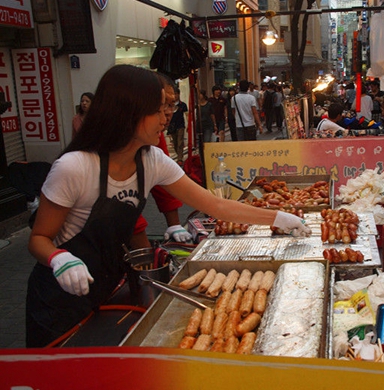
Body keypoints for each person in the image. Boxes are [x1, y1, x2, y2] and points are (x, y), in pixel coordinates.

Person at [25, 64, 310, 347]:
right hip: (58, 300)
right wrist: (58, 259)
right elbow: (39, 239)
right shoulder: (74, 167)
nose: (166, 118)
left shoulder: (151, 160)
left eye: (168, 109)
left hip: (106, 288)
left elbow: (215, 205)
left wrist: (278, 218)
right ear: (128, 111)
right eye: (158, 109)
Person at [130, 73, 191, 248]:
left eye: (172, 105)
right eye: (161, 107)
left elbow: (170, 183)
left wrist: (174, 224)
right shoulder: (78, 163)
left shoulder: (153, 146)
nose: (167, 115)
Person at [167, 87, 188, 165]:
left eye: (176, 94)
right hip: (172, 126)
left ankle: (180, 158)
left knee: (180, 142)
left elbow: (187, 115)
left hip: (180, 125)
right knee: (175, 142)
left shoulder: (183, 105)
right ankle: (178, 155)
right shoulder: (169, 105)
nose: (175, 96)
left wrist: (189, 124)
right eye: (174, 94)